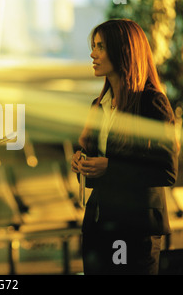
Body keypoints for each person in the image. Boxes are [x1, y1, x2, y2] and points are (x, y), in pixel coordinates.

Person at [71, 19, 179, 274]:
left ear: (123, 51)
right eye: (93, 46)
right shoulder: (98, 105)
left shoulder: (152, 103)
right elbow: (96, 160)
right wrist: (81, 162)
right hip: (99, 226)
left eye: (100, 47)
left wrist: (110, 168)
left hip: (136, 231)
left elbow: (166, 171)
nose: (92, 54)